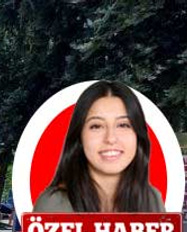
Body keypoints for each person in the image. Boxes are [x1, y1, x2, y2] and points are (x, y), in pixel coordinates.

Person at [35, 80, 163, 213]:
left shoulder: (152, 200)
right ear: (79, 136)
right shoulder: (54, 205)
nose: (111, 139)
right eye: (96, 126)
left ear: (138, 135)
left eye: (123, 125)